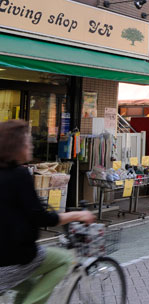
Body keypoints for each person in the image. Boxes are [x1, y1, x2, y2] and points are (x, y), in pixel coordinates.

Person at [0, 120, 96, 304]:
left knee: (28, 287)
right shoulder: (19, 175)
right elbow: (42, 217)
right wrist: (78, 215)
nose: (31, 146)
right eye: (27, 142)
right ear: (15, 146)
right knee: (64, 259)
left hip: (6, 261)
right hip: (14, 259)